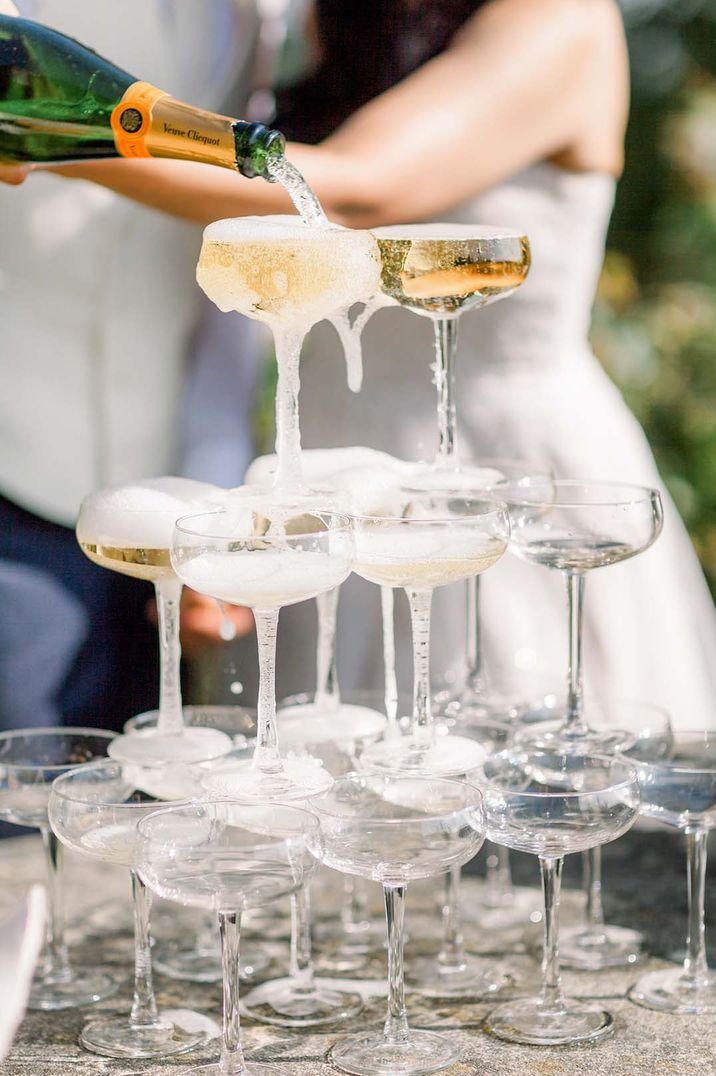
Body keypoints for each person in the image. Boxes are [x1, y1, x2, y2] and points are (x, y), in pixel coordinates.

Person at [4, 0, 716, 727]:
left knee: (518, 788)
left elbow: (359, 189)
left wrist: (52, 136)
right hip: (334, 492)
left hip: (491, 474)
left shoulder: (560, 19)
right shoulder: (344, 26)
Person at [0, 0, 256, 731]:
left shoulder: (263, 18)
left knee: (143, 811)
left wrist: (216, 487)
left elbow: (225, 280)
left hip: (164, 519)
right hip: (14, 490)